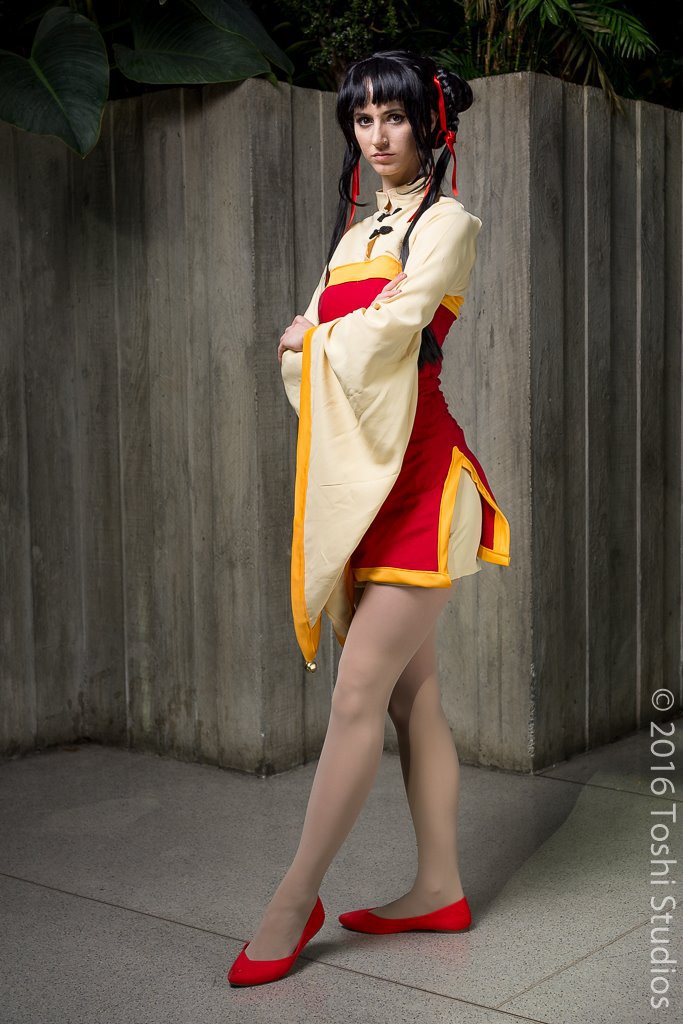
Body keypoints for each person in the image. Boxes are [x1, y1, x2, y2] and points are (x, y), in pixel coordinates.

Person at [228, 48, 511, 988]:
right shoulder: (355, 235)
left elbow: (392, 328)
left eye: (394, 116)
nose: (378, 136)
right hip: (367, 486)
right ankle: (439, 888)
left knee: (356, 696)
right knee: (407, 696)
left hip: (424, 484)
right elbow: (300, 358)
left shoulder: (449, 224)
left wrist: (315, 336)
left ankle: (292, 900)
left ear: (429, 122)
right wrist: (314, 340)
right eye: (363, 119)